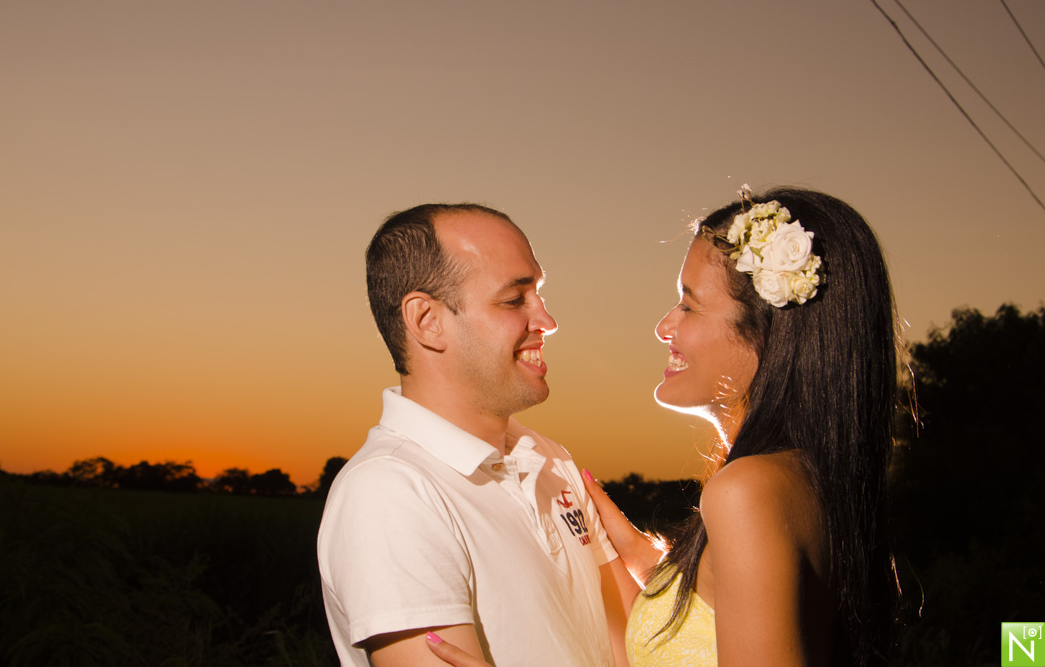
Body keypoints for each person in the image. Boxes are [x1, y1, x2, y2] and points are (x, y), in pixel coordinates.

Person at [428, 186, 902, 667]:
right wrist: (645, 559)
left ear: (767, 338)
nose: (664, 327)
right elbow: (730, 616)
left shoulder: (746, 492)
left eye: (689, 305)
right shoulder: (805, 480)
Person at [318, 203, 638, 667]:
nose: (547, 321)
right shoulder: (390, 492)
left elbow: (636, 645)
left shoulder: (550, 459)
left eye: (539, 294)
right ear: (427, 320)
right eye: (514, 300)